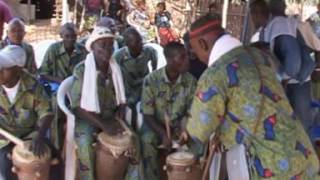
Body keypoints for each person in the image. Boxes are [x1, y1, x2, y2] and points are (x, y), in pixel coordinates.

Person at [185, 13, 319, 179]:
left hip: (271, 168)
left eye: (195, 51)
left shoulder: (214, 75)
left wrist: (183, 137)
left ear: (202, 44)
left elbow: (197, 133)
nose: (198, 58)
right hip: (303, 157)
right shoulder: (258, 55)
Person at [69, 26, 127, 180]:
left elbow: (120, 98)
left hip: (109, 116)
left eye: (110, 45)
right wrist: (102, 124)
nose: (108, 49)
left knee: (133, 141)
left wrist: (121, 108)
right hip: (87, 118)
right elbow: (76, 106)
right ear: (92, 47)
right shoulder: (81, 70)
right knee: (85, 143)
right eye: (103, 45)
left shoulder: (115, 69)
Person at [252, 0, 316, 136]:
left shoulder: (280, 26)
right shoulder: (266, 28)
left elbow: (294, 61)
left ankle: (303, 156)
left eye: (252, 14)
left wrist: (283, 81)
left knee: (300, 127)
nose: (251, 19)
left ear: (257, 13)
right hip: (289, 81)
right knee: (284, 124)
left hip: (296, 83)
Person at [140, 42, 197, 180]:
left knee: (197, 142)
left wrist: (185, 131)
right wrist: (163, 134)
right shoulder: (151, 80)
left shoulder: (191, 81)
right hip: (156, 126)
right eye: (182, 57)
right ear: (170, 60)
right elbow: (147, 114)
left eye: (187, 56)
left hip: (179, 126)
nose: (187, 60)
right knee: (147, 140)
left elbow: (191, 112)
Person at [0, 45, 54, 179]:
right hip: (3, 138)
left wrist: (40, 135)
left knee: (53, 162)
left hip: (30, 136)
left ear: (18, 69)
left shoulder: (33, 85)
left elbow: (46, 112)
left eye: (4, 68)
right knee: (7, 167)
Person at [113, 27, 157, 129]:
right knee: (127, 110)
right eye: (136, 42)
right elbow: (114, 76)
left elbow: (155, 71)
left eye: (140, 40)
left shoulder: (149, 51)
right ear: (127, 44)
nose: (140, 44)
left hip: (143, 88)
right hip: (127, 90)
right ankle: (129, 130)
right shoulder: (119, 56)